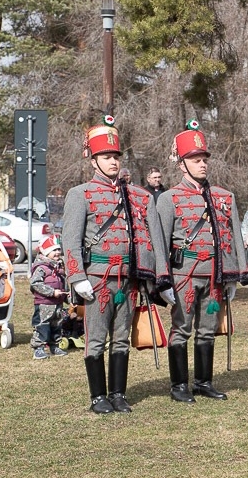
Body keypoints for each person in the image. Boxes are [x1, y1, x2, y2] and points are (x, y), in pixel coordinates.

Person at [62, 116, 166, 414]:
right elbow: (69, 240)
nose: (113, 162)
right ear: (93, 161)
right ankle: (98, 397)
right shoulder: (80, 194)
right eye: (106, 157)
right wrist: (76, 276)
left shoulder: (136, 196)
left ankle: (118, 394)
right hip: (97, 278)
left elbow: (148, 238)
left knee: (121, 337)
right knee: (96, 340)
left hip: (128, 279)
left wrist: (150, 274)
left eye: (116, 157)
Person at [154, 120, 245, 403]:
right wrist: (163, 279)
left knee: (207, 329)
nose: (202, 164)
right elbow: (160, 241)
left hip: (215, 274)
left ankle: (204, 382)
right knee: (181, 328)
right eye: (195, 159)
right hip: (185, 274)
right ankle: (179, 385)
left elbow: (235, 237)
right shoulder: (169, 199)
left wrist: (233, 276)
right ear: (182, 164)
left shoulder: (224, 197)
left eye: (204, 158)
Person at [29, 235, 69, 360]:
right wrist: (52, 292)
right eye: (54, 250)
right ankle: (39, 348)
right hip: (44, 304)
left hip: (58, 303)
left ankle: (54, 345)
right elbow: (35, 284)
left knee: (57, 324)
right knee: (42, 325)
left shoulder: (58, 267)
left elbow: (64, 283)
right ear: (45, 252)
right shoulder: (41, 268)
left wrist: (67, 295)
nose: (57, 252)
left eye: (58, 250)